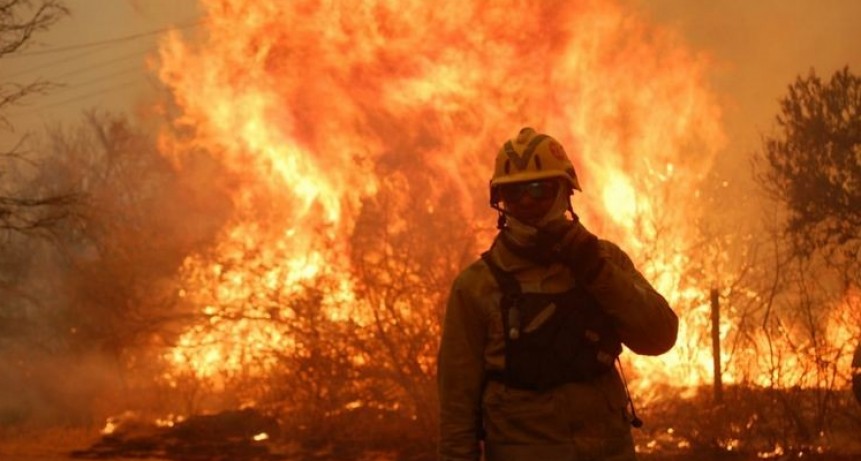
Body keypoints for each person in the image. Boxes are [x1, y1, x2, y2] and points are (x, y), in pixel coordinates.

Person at [437, 127, 679, 461]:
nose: (527, 201)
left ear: (565, 191)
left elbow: (660, 337)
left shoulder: (605, 262)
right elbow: (457, 408)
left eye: (540, 189)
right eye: (515, 192)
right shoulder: (477, 287)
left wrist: (597, 272)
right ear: (500, 200)